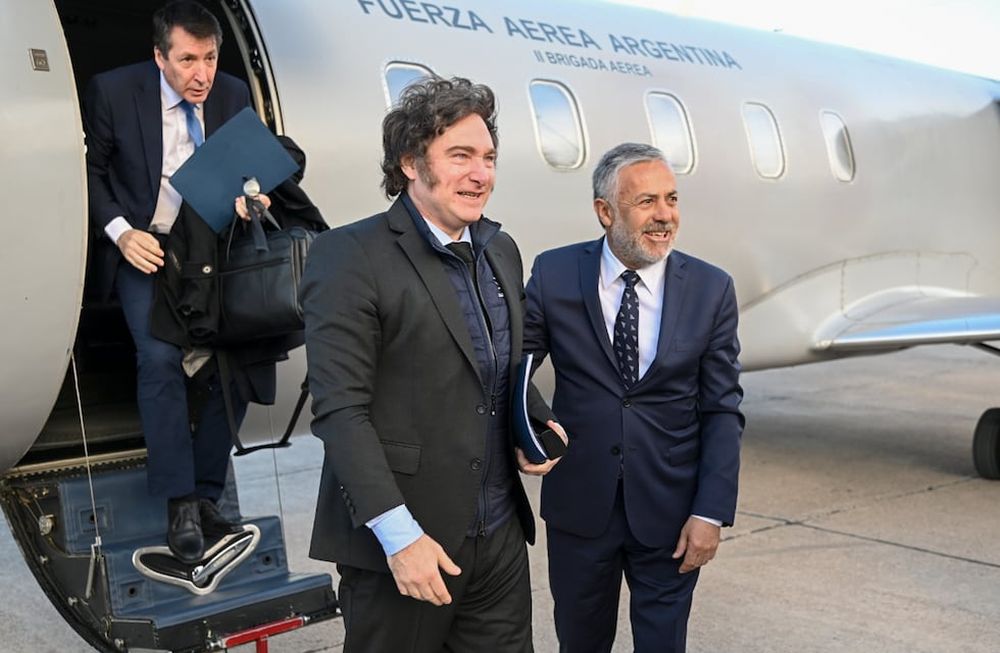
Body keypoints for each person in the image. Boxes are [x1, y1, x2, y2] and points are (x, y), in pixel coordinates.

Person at [301, 76, 564, 652]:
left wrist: (531, 419)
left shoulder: (500, 249)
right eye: (461, 156)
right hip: (408, 546)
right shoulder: (349, 256)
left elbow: (499, 360)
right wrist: (400, 539)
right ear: (412, 163)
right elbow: (341, 412)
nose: (481, 174)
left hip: (497, 537)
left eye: (489, 157)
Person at [523, 142, 744, 652]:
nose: (664, 215)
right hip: (580, 506)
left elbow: (722, 409)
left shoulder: (712, 288)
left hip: (672, 512)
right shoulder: (555, 274)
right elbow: (517, 371)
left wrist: (711, 512)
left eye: (671, 199)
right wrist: (528, 433)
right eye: (646, 202)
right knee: (580, 643)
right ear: (605, 212)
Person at [83, 0, 257, 563]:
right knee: (158, 361)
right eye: (186, 60)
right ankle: (180, 502)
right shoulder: (114, 91)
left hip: (211, 252)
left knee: (238, 360)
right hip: (146, 248)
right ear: (159, 56)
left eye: (209, 58)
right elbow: (90, 169)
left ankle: (207, 495)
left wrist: (251, 197)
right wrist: (119, 232)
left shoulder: (231, 94)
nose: (200, 74)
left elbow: (251, 169)